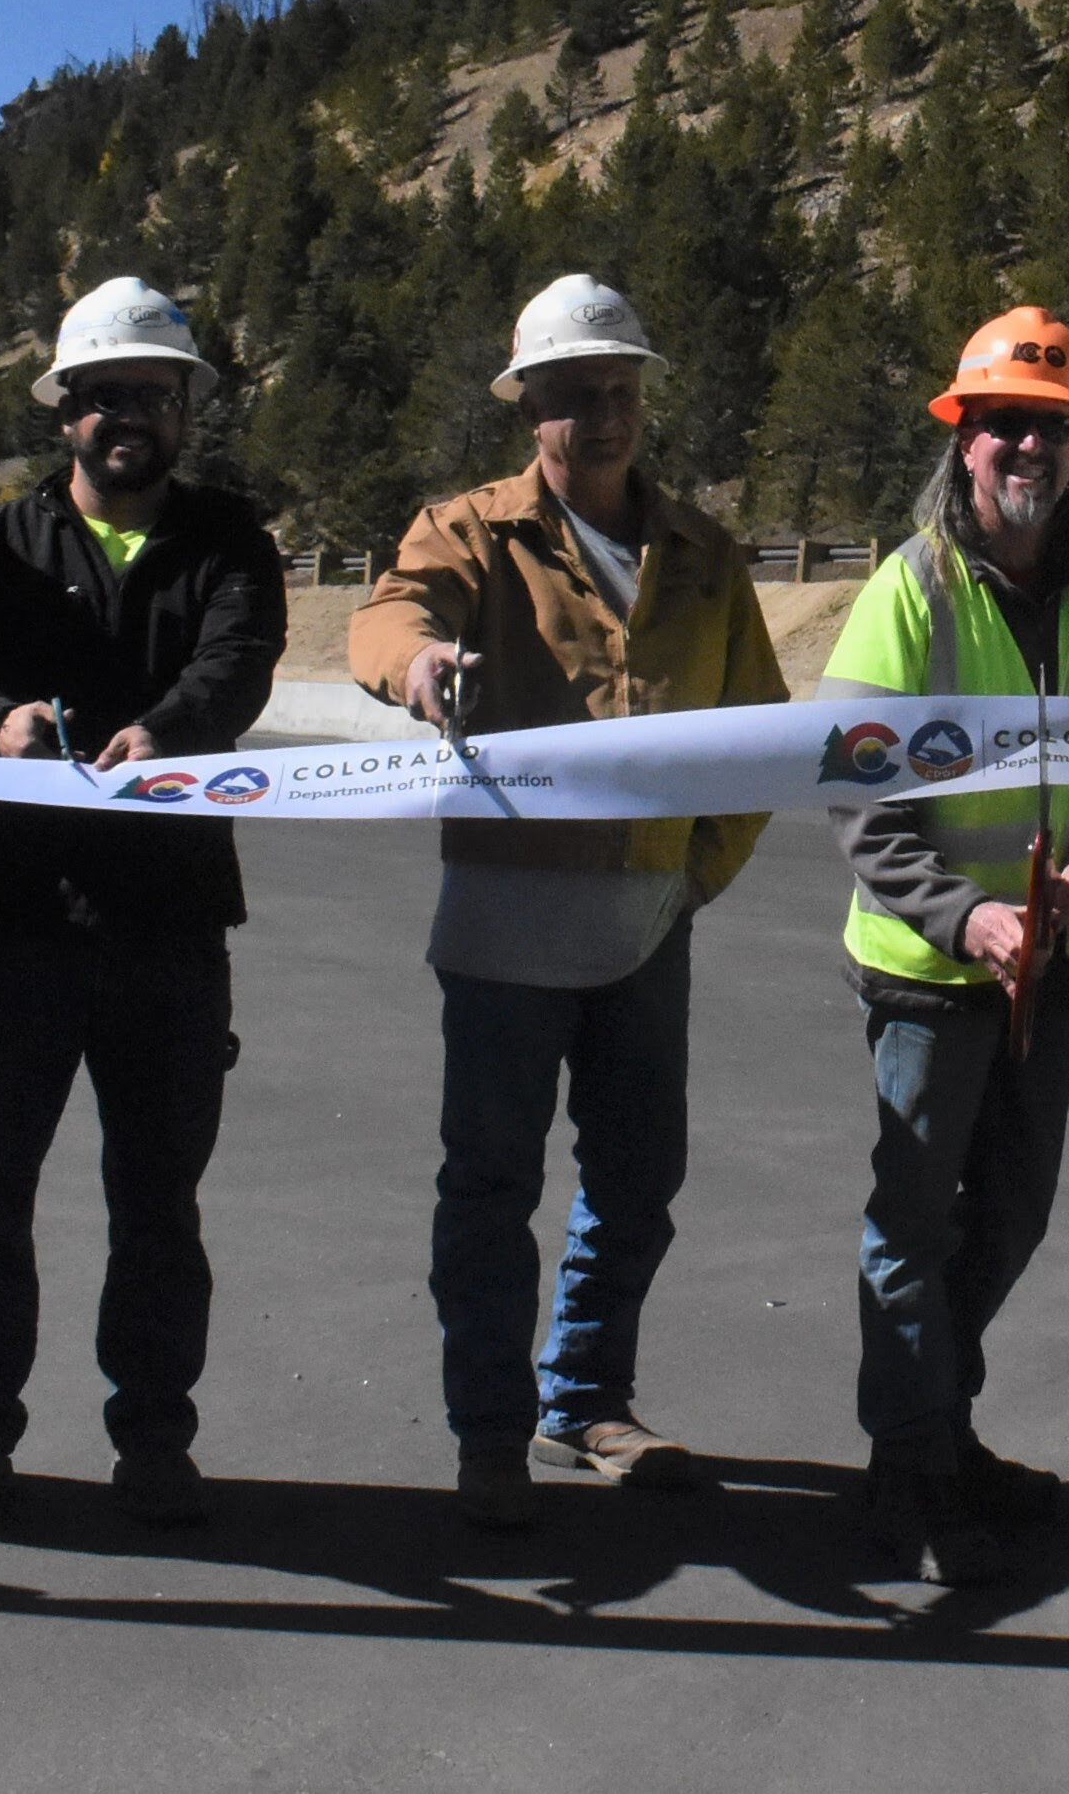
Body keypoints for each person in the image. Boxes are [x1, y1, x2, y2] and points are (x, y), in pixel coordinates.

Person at [352, 274, 789, 1531]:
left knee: (638, 1175)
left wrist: (694, 874)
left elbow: (759, 734)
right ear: (527, 407)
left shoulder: (704, 553)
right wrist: (423, 666)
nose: (602, 418)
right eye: (574, 398)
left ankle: (586, 1396)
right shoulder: (471, 533)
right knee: (490, 1186)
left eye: (620, 394)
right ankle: (489, 1430)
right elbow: (390, 620)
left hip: (649, 923)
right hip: (503, 920)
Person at [0, 277, 287, 1533]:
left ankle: (155, 1439)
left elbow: (237, 666)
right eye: (107, 395)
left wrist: (164, 734)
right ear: (63, 409)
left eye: (156, 397)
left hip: (171, 934)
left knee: (160, 1204)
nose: (131, 417)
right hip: (19, 923)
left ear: (187, 413)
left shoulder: (231, 543)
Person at [817, 305, 1069, 1586]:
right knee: (913, 1226)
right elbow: (857, 792)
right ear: (962, 440)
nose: (1029, 446)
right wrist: (965, 915)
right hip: (930, 976)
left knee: (1009, 1218)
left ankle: (939, 1433)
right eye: (1005, 425)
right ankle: (906, 1476)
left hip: (1056, 967)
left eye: (1054, 427)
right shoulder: (907, 590)